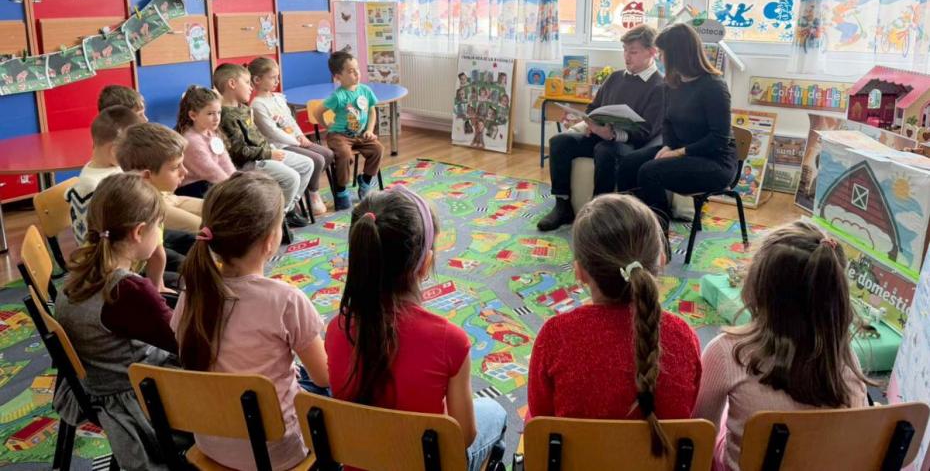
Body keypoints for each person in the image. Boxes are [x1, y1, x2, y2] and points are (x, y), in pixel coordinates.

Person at [326, 188, 507, 471]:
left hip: (361, 463)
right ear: (425, 264)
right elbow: (464, 437)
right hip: (425, 462)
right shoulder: (450, 341)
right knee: (495, 411)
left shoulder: (337, 329)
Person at [172, 172, 329, 470]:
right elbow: (325, 378)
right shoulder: (286, 299)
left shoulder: (192, 291)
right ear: (270, 241)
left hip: (211, 442)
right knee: (335, 393)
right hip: (277, 452)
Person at [528, 194, 701, 456]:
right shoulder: (683, 336)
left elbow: (541, 418)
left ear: (579, 272)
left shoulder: (555, 335)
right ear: (661, 260)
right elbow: (689, 415)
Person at [693, 220, 870, 471]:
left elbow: (698, 437)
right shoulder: (845, 357)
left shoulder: (727, 352)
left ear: (758, 285)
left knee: (721, 423)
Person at [56, 173, 177, 471]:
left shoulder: (80, 272)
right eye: (158, 226)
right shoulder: (128, 290)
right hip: (135, 401)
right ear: (139, 232)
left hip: (99, 381)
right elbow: (184, 341)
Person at [537, 25, 665, 231]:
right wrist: (589, 123)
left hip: (632, 146)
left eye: (633, 52)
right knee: (560, 142)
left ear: (652, 52)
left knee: (605, 150)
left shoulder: (659, 86)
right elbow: (594, 107)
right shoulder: (615, 77)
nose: (627, 57)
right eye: (625, 50)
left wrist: (613, 134)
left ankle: (600, 215)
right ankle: (563, 206)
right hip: (601, 136)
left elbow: (646, 132)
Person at [616, 23, 737, 234]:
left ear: (678, 55)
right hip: (682, 151)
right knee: (628, 164)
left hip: (715, 162)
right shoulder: (672, 83)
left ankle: (658, 235)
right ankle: (634, 225)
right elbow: (668, 122)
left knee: (649, 172)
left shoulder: (713, 87)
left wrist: (678, 152)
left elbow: (719, 139)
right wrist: (668, 146)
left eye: (663, 53)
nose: (660, 57)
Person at [215, 63, 312, 228]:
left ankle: (285, 210)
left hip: (264, 154)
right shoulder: (225, 116)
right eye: (247, 82)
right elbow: (239, 152)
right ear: (232, 84)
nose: (251, 87)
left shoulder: (243, 108)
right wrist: (268, 154)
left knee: (306, 164)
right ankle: (274, 221)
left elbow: (256, 137)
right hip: (248, 163)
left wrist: (270, 150)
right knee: (291, 178)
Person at [116, 123, 203, 290]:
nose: (185, 172)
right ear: (146, 176)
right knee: (191, 281)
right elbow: (156, 255)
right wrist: (159, 289)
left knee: (191, 252)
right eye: (176, 167)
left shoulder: (138, 193)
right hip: (126, 278)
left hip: (138, 260)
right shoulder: (146, 207)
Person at [248, 57, 334, 216]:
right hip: (279, 145)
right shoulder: (257, 104)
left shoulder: (278, 98)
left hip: (294, 141)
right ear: (257, 80)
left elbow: (290, 121)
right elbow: (272, 132)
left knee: (328, 154)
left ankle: (307, 189)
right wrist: (297, 142)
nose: (277, 81)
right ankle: (312, 195)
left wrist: (301, 136)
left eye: (277, 77)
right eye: (272, 77)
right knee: (317, 159)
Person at [311, 51, 383, 211]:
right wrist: (327, 126)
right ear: (338, 77)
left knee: (377, 149)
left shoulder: (365, 90)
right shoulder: (338, 96)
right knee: (344, 154)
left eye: (357, 69)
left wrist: (370, 130)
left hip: (360, 134)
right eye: (351, 71)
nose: (356, 73)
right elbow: (318, 112)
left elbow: (372, 111)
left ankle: (365, 181)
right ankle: (341, 190)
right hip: (339, 136)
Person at [67, 106, 143, 244]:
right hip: (106, 252)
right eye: (131, 150)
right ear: (114, 150)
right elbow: (90, 242)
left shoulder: (113, 167)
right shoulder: (91, 186)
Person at [175, 85, 235, 199]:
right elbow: (210, 171)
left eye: (219, 112)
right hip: (193, 188)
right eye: (210, 114)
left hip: (211, 182)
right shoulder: (191, 140)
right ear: (193, 115)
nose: (217, 118)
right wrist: (233, 187)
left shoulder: (212, 134)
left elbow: (225, 162)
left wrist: (237, 180)